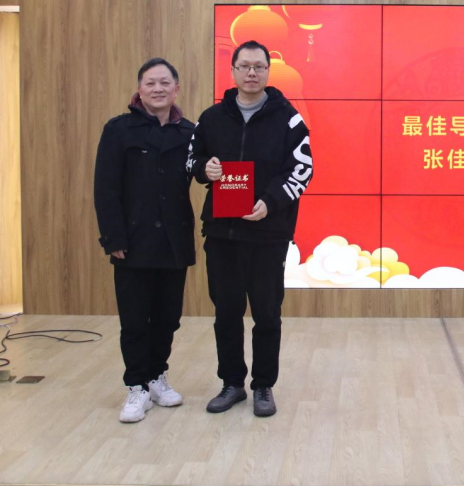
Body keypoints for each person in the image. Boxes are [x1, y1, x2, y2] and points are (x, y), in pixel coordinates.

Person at [186, 40, 313, 417]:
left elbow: (302, 170)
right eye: (244, 66)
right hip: (222, 235)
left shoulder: (289, 119)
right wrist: (204, 169)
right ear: (233, 71)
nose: (251, 73)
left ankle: (263, 386)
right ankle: (231, 384)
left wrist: (270, 202)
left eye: (259, 66)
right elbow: (191, 159)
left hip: (268, 236)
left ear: (268, 72)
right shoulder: (211, 118)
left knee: (267, 314)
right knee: (226, 313)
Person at [94, 58, 196, 423]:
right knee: (135, 319)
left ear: (176, 89)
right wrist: (113, 237)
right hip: (132, 241)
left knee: (168, 318)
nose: (158, 89)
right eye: (150, 83)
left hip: (173, 240)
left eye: (165, 82)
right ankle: (136, 386)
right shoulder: (118, 129)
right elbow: (105, 188)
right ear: (139, 89)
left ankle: (156, 376)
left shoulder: (189, 132)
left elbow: (204, 172)